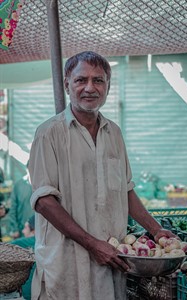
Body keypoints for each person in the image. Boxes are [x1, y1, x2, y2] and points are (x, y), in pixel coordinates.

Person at [28, 51, 176, 300]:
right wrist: (92, 244)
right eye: (80, 80)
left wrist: (156, 230)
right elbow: (44, 201)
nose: (90, 88)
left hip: (110, 260)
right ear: (67, 84)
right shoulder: (48, 134)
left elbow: (126, 191)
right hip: (66, 262)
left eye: (98, 80)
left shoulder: (113, 133)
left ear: (108, 85)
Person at [11, 215, 35, 300]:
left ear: (34, 231)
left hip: (27, 295)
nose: (23, 231)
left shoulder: (23, 243)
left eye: (26, 228)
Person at [8, 163, 33, 238]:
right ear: (27, 169)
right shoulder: (18, 186)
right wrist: (14, 229)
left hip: (40, 230)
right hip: (23, 231)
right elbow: (13, 208)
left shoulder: (43, 184)